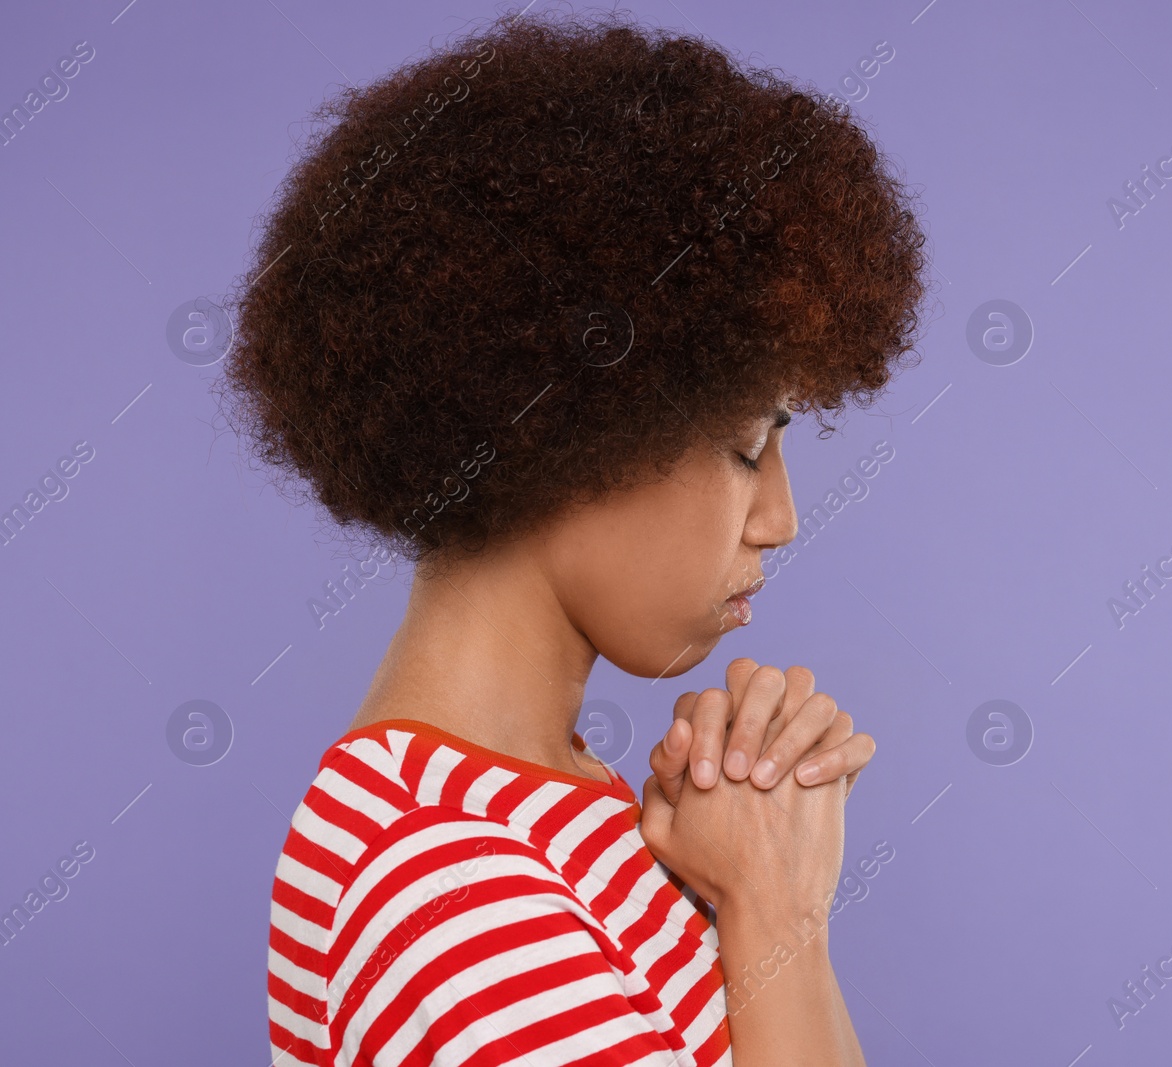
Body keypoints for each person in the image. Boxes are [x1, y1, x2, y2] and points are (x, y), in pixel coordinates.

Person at [222, 9, 928, 1065]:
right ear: (565, 428)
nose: (780, 518)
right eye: (746, 444)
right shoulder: (441, 882)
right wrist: (774, 907)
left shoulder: (565, 806)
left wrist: (764, 902)